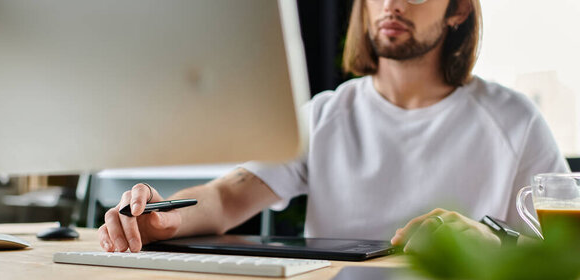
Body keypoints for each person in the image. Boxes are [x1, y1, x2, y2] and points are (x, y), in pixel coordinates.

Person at [99, 0, 569, 254]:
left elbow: (569, 251)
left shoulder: (515, 119)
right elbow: (227, 198)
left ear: (458, 11)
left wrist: (496, 244)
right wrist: (167, 216)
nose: (391, 4)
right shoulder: (324, 115)